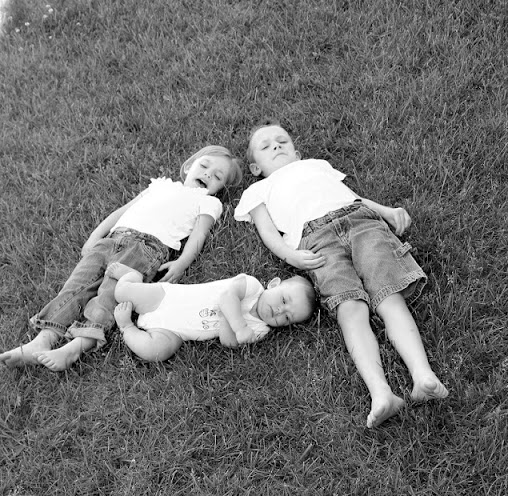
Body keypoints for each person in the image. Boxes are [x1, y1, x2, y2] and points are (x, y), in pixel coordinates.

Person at [234, 122, 448, 428]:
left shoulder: (316, 165)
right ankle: (381, 392)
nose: (277, 147)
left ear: (297, 151)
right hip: (315, 241)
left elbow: (351, 195)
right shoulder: (257, 189)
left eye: (282, 141)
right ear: (255, 167)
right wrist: (289, 254)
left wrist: (385, 211)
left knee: (390, 297)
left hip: (361, 222)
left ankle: (423, 374)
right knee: (350, 308)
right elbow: (267, 231)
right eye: (266, 147)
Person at [0, 146, 243, 372]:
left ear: (219, 189)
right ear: (189, 166)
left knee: (110, 296)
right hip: (111, 240)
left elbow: (199, 234)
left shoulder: (208, 202)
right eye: (205, 166)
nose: (208, 174)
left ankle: (75, 348)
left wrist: (182, 262)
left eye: (218, 176)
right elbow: (122, 211)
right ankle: (42, 340)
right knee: (75, 288)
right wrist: (96, 235)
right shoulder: (160, 186)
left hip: (146, 249)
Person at [107, 262, 316, 361]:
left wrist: (227, 318)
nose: (280, 310)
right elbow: (227, 298)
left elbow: (228, 342)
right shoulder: (251, 286)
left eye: (287, 317)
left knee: (156, 352)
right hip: (168, 298)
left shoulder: (261, 330)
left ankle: (126, 327)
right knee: (122, 292)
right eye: (283, 300)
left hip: (177, 331)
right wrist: (240, 326)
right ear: (273, 284)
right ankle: (132, 274)